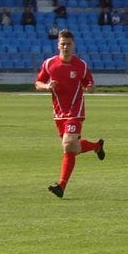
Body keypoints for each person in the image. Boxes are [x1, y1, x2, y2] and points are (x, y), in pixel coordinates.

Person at [34, 30, 106, 198]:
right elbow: (38, 83)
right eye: (62, 44)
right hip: (59, 113)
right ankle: (96, 146)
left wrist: (90, 88)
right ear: (58, 45)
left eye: (68, 44)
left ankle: (61, 185)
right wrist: (47, 87)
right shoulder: (49, 64)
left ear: (73, 45)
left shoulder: (81, 65)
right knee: (73, 148)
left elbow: (90, 85)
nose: (65, 47)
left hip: (75, 111)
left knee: (67, 144)